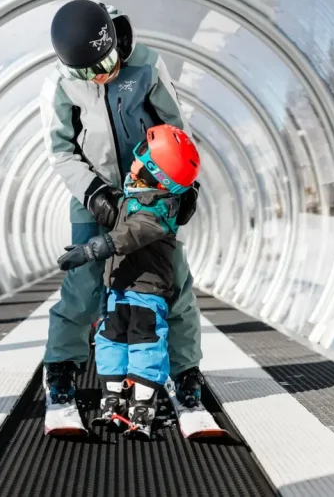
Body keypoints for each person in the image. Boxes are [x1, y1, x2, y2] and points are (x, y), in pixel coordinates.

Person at [39, 0, 204, 417]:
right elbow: (61, 152)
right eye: (89, 73)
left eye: (108, 62)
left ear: (115, 40)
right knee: (85, 284)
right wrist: (95, 194)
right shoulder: (58, 86)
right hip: (93, 195)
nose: (103, 75)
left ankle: (185, 371)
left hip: (149, 189)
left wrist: (180, 188)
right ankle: (61, 369)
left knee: (171, 282)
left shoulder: (147, 65)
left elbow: (174, 130)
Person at [58, 125, 200, 439]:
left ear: (155, 173)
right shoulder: (133, 198)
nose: (133, 161)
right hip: (118, 290)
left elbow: (129, 235)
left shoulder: (160, 211)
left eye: (141, 157)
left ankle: (142, 408)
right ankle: (112, 402)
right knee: (109, 341)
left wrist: (91, 249)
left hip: (146, 293)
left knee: (146, 345)